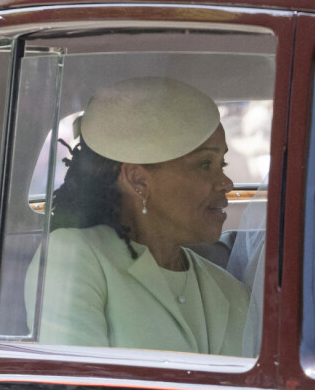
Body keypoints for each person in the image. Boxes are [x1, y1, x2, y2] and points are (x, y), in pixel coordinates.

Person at [25, 76, 252, 356]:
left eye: (223, 164)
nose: (226, 183)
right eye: (205, 164)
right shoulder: (73, 257)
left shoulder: (228, 289)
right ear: (138, 180)